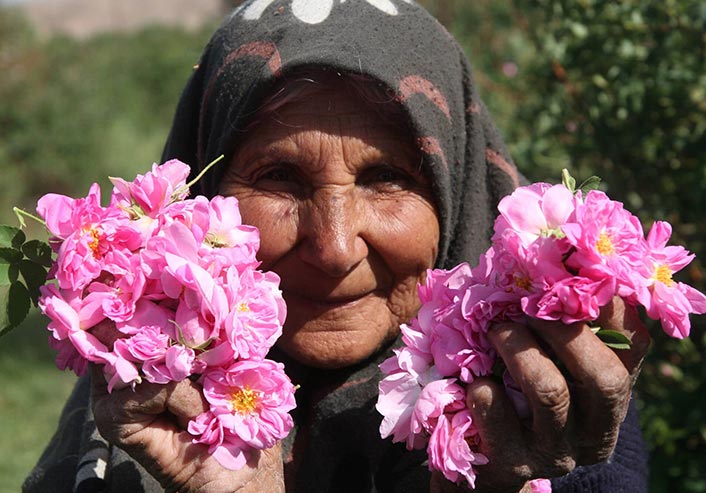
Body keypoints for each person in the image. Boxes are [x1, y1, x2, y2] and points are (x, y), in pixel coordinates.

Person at [24, 1, 651, 492]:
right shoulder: (134, 408)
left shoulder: (554, 407)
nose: (333, 245)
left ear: (456, 196)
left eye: (389, 179)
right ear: (200, 196)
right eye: (278, 177)